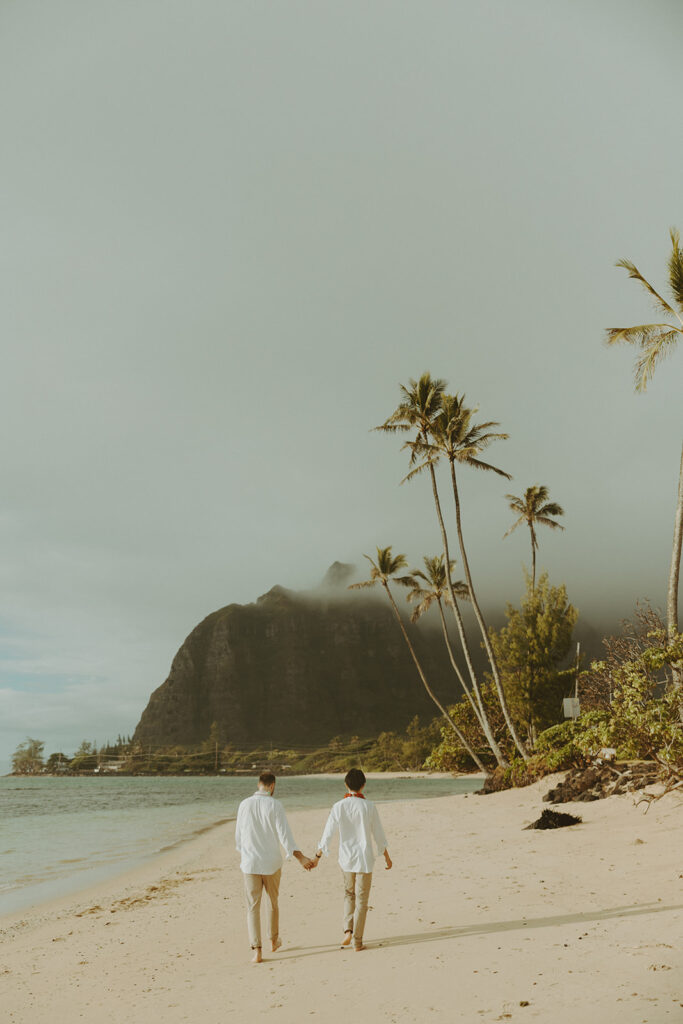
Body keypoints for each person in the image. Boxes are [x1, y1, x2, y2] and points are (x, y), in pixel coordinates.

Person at [235, 772, 316, 963]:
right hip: (271, 862)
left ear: (258, 785)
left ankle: (257, 951)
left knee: (252, 907)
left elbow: (238, 837)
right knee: (272, 902)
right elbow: (285, 836)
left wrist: (246, 854)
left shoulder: (244, 804)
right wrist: (300, 857)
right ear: (272, 786)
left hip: (250, 863)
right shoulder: (275, 805)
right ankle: (273, 940)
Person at [314, 768, 392, 952]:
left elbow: (328, 834)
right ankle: (358, 941)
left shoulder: (338, 806)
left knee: (349, 894)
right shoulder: (369, 806)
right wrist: (386, 856)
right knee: (362, 901)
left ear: (346, 784)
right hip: (364, 858)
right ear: (363, 785)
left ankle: (347, 931)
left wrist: (317, 856)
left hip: (347, 859)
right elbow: (378, 834)